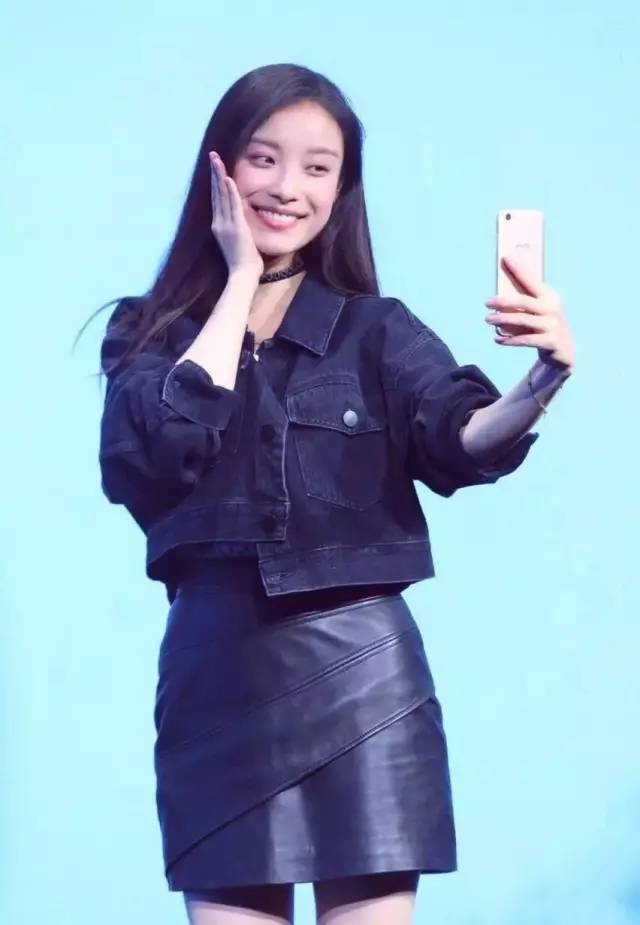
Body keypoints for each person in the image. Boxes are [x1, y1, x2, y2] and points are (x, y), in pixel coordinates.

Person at [95, 63, 575, 925]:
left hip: (366, 681)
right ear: (219, 168)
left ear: (341, 189)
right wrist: (237, 282)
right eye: (265, 158)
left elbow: (461, 439)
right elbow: (160, 450)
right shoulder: (147, 332)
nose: (289, 187)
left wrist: (543, 380)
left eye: (319, 168)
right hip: (214, 682)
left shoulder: (376, 329)